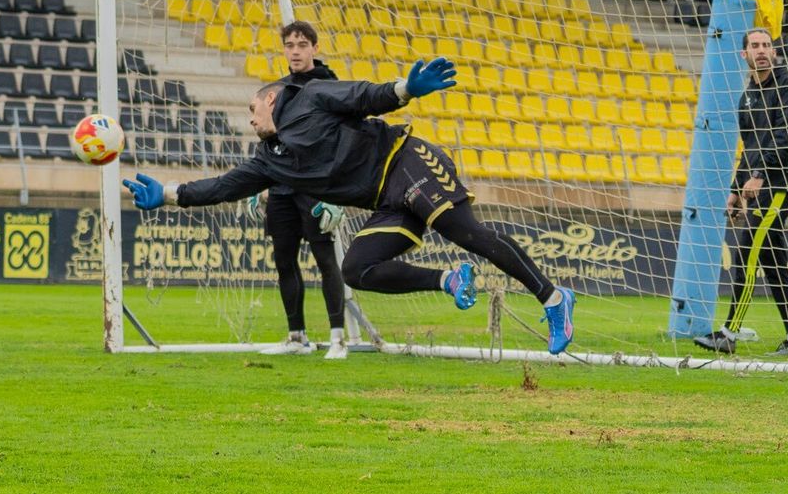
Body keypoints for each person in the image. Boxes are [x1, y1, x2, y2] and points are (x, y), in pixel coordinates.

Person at [123, 59, 579, 354]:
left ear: (271, 97)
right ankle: (448, 278)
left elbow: (364, 95)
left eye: (252, 108)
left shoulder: (311, 98)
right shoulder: (270, 160)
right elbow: (225, 186)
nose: (249, 118)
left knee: (467, 234)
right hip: (387, 201)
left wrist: (404, 88)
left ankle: (554, 297)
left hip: (408, 162)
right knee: (356, 270)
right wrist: (168, 194)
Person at [695, 27, 788, 357]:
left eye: (766, 45)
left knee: (747, 249)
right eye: (754, 46)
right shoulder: (748, 96)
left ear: (774, 52)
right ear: (744, 54)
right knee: (772, 261)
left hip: (782, 185)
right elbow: (749, 148)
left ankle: (729, 333)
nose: (761, 50)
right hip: (759, 186)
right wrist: (735, 189)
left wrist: (760, 174)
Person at [258, 20, 350, 359]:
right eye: (289, 45)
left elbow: (341, 138)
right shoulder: (278, 89)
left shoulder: (330, 84)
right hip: (282, 186)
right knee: (284, 260)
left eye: (301, 44)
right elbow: (270, 137)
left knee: (325, 259)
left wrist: (335, 193)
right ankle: (297, 337)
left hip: (315, 188)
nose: (295, 51)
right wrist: (261, 181)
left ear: (314, 47)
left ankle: (338, 339)